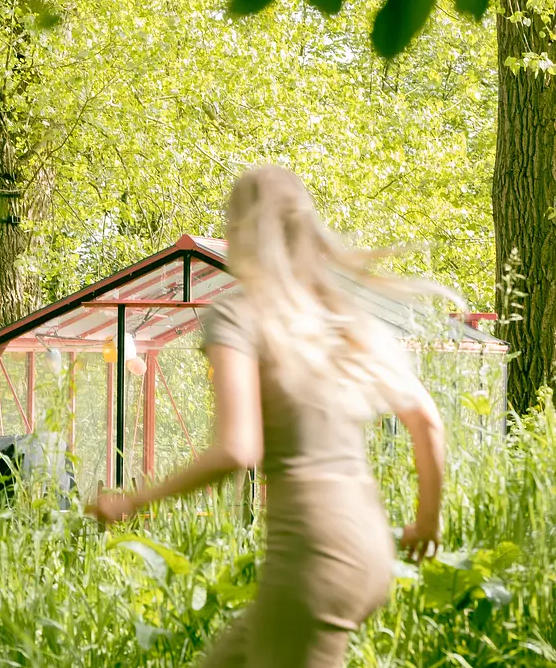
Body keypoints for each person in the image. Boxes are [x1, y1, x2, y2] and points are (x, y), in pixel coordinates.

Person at [92, 165, 448, 668]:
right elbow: (427, 421)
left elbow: (238, 449)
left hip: (313, 553)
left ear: (239, 233)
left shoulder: (239, 316)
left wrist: (136, 499)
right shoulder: (337, 318)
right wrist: (426, 523)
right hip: (367, 540)